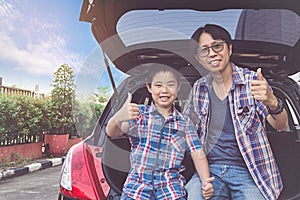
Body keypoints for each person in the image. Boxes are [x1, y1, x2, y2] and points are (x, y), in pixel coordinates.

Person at [184, 24, 288, 200]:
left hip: (250, 171)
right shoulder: (199, 89)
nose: (212, 54)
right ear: (199, 58)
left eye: (217, 46)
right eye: (204, 50)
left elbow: (281, 125)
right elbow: (186, 132)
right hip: (209, 171)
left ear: (229, 48)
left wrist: (271, 101)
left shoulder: (253, 81)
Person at [106, 65, 215, 200]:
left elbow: (197, 152)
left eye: (170, 84)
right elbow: (112, 133)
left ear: (178, 87)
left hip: (171, 190)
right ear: (149, 87)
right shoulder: (139, 114)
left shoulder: (185, 123)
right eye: (158, 85)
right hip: (137, 190)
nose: (164, 90)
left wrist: (205, 181)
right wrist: (118, 118)